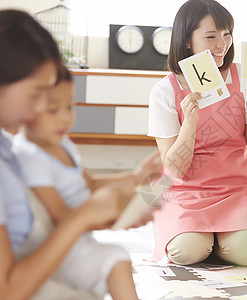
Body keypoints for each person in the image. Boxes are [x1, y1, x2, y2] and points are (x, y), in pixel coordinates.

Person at [0, 10, 157, 300]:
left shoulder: (9, 150)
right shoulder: (23, 153)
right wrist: (85, 217)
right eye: (37, 95)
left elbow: (86, 186)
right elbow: (8, 289)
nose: (39, 111)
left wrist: (117, 206)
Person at [148, 0, 247, 266]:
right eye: (211, 36)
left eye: (227, 34)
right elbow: (174, 169)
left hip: (236, 191)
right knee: (187, 251)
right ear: (187, 42)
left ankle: (221, 237)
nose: (222, 45)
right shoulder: (165, 91)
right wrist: (190, 123)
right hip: (186, 192)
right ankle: (206, 237)